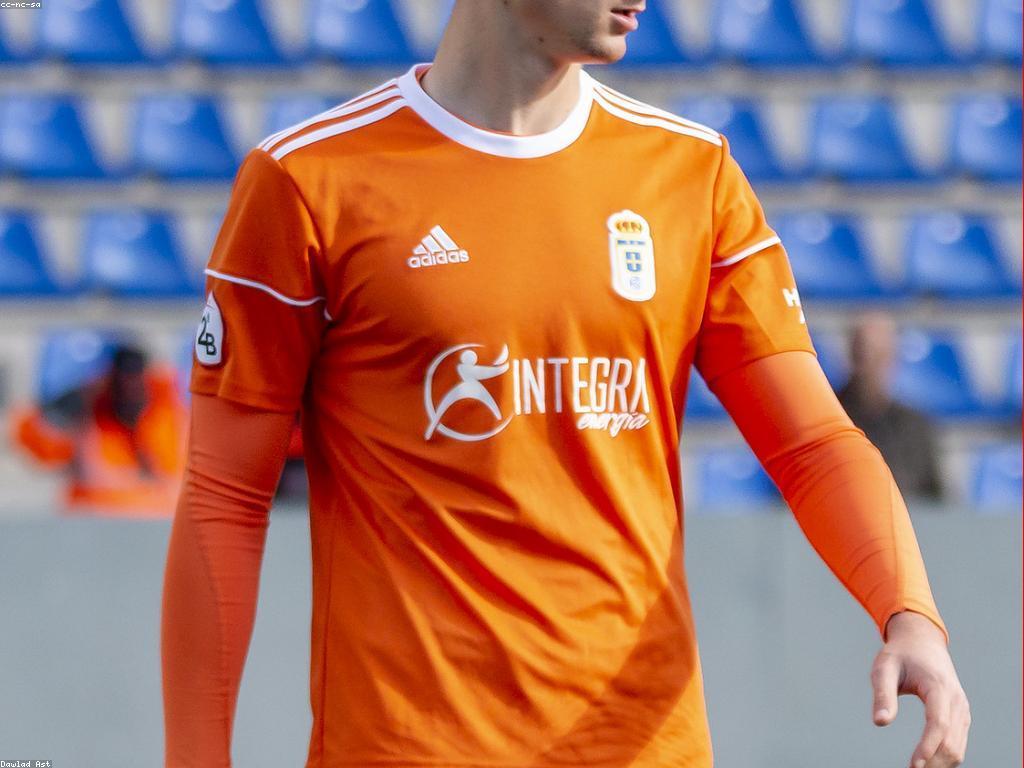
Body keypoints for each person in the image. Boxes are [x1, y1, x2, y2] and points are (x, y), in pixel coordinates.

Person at [161, 3, 971, 767]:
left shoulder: (694, 175)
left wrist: (910, 614)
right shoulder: (307, 179)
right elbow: (224, 496)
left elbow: (814, 444)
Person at [12, 332, 186, 516]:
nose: (128, 384)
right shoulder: (85, 420)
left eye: (131, 370)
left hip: (154, 520)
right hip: (100, 524)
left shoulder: (165, 401)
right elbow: (41, 446)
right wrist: (62, 414)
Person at [839, 312, 945, 501]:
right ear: (852, 357)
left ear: (893, 359)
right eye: (863, 355)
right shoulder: (830, 417)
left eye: (879, 356)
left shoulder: (914, 426)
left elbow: (936, 498)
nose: (870, 367)